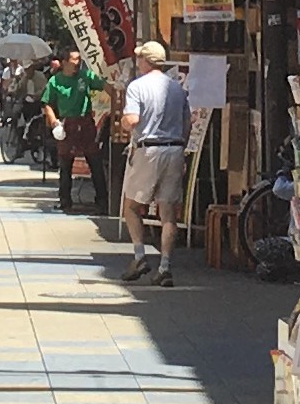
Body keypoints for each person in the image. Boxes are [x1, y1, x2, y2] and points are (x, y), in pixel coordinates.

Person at [118, 39, 193, 287]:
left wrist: (123, 122)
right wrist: (181, 145)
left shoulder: (137, 87)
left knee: (130, 206)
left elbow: (132, 119)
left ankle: (139, 256)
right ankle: (165, 266)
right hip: (174, 149)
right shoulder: (177, 89)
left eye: (140, 58)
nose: (138, 61)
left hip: (147, 150)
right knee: (168, 212)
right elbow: (187, 124)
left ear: (146, 61)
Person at [42, 47, 101, 213]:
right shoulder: (55, 81)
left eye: (79, 59)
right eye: (74, 59)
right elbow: (47, 103)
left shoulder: (86, 76)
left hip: (86, 123)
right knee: (65, 164)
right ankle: (65, 201)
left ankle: (102, 200)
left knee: (94, 161)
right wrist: (53, 121)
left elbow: (105, 86)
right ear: (65, 63)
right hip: (67, 124)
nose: (78, 63)